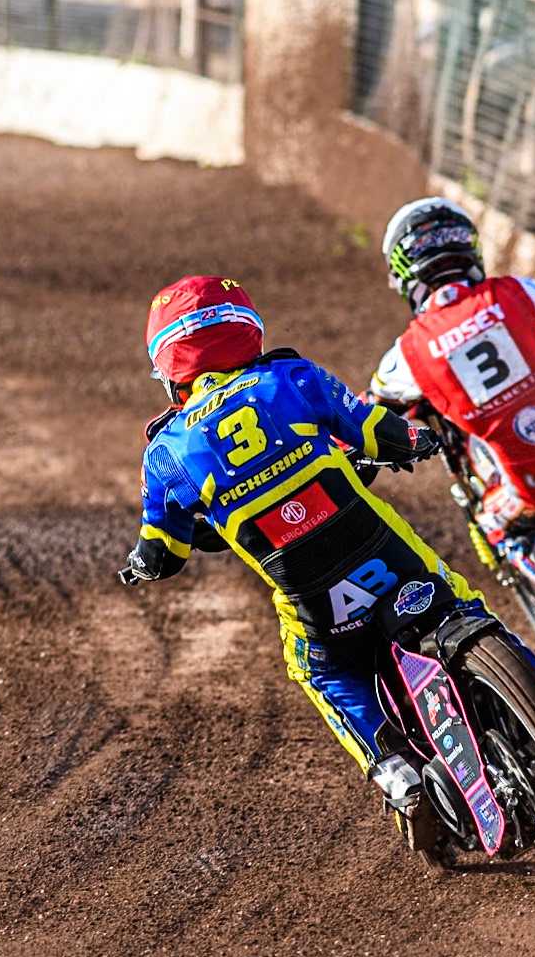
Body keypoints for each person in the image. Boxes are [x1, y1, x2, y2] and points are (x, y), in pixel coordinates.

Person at [116, 275, 484, 850]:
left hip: (313, 596)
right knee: (458, 600)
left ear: (170, 367)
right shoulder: (292, 377)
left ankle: (391, 766)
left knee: (321, 671)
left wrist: (140, 566)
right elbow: (374, 429)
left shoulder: (164, 451)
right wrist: (416, 441)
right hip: (387, 559)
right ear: (246, 331)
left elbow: (161, 551)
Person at [366, 197, 535, 665]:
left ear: (405, 271)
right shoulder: (514, 290)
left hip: (534, 478)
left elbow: (374, 417)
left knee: (498, 525)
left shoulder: (406, 354)